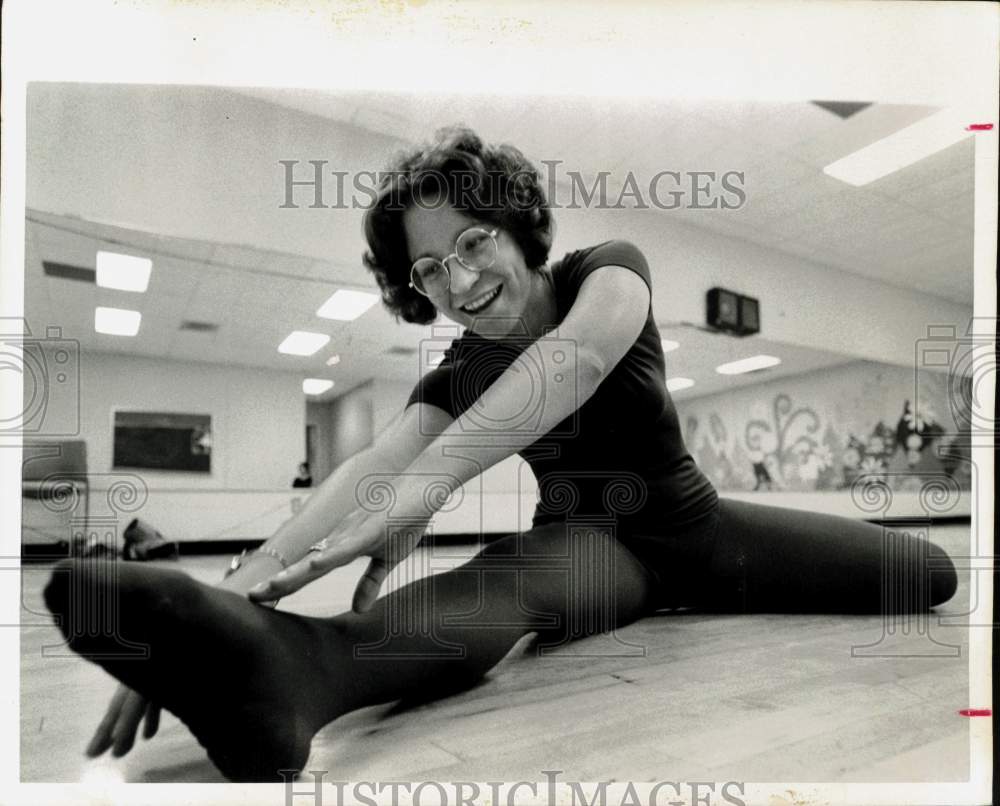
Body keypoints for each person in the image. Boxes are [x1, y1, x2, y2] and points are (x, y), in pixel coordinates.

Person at [43, 127, 959, 782]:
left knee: (924, 574)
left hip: (701, 531)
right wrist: (231, 597)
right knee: (505, 585)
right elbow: (370, 470)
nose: (459, 278)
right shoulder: (462, 364)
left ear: (517, 227)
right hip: (586, 549)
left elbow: (573, 362)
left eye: (472, 242)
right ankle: (297, 674)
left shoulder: (608, 270)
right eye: (429, 270)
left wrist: (429, 488)